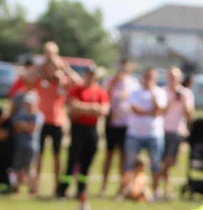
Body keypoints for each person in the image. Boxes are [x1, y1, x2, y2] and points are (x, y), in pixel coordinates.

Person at [33, 49, 82, 198]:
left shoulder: (63, 82)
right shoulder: (41, 80)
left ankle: (56, 187)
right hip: (42, 122)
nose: (52, 69)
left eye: (54, 66)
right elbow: (26, 77)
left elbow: (79, 82)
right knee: (39, 155)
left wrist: (65, 68)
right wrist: (41, 67)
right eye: (50, 66)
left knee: (57, 156)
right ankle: (34, 186)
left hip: (57, 122)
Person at [58, 66, 109, 200]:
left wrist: (85, 108)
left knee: (87, 161)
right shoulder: (78, 89)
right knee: (72, 160)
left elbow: (104, 110)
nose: (91, 77)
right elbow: (73, 107)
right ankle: (63, 190)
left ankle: (81, 190)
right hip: (78, 127)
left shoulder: (100, 91)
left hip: (92, 129)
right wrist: (92, 108)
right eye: (89, 74)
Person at [125, 67, 168, 197]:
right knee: (130, 163)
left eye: (151, 77)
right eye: (147, 76)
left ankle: (155, 191)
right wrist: (151, 112)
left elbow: (159, 110)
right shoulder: (135, 92)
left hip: (154, 134)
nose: (149, 80)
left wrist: (153, 101)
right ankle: (127, 190)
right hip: (134, 134)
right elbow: (135, 109)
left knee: (155, 163)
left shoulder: (160, 92)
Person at [102, 60, 139, 195]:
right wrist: (114, 82)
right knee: (109, 155)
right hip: (112, 123)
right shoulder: (109, 81)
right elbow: (105, 95)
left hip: (126, 124)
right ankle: (103, 185)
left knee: (123, 157)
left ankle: (121, 187)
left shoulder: (133, 83)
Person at [161, 67, 196, 200]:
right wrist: (171, 101)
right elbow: (160, 111)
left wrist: (182, 101)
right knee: (164, 160)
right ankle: (167, 188)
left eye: (175, 77)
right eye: (170, 77)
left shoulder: (186, 93)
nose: (172, 80)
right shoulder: (163, 92)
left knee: (171, 161)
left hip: (178, 131)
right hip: (163, 130)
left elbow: (190, 115)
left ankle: (163, 183)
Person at [11, 91, 43, 194]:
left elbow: (33, 128)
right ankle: (16, 188)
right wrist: (26, 126)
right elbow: (16, 128)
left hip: (32, 147)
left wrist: (23, 126)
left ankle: (33, 189)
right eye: (26, 103)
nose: (28, 105)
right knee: (17, 168)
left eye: (30, 103)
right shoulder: (20, 114)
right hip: (20, 145)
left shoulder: (38, 115)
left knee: (30, 169)